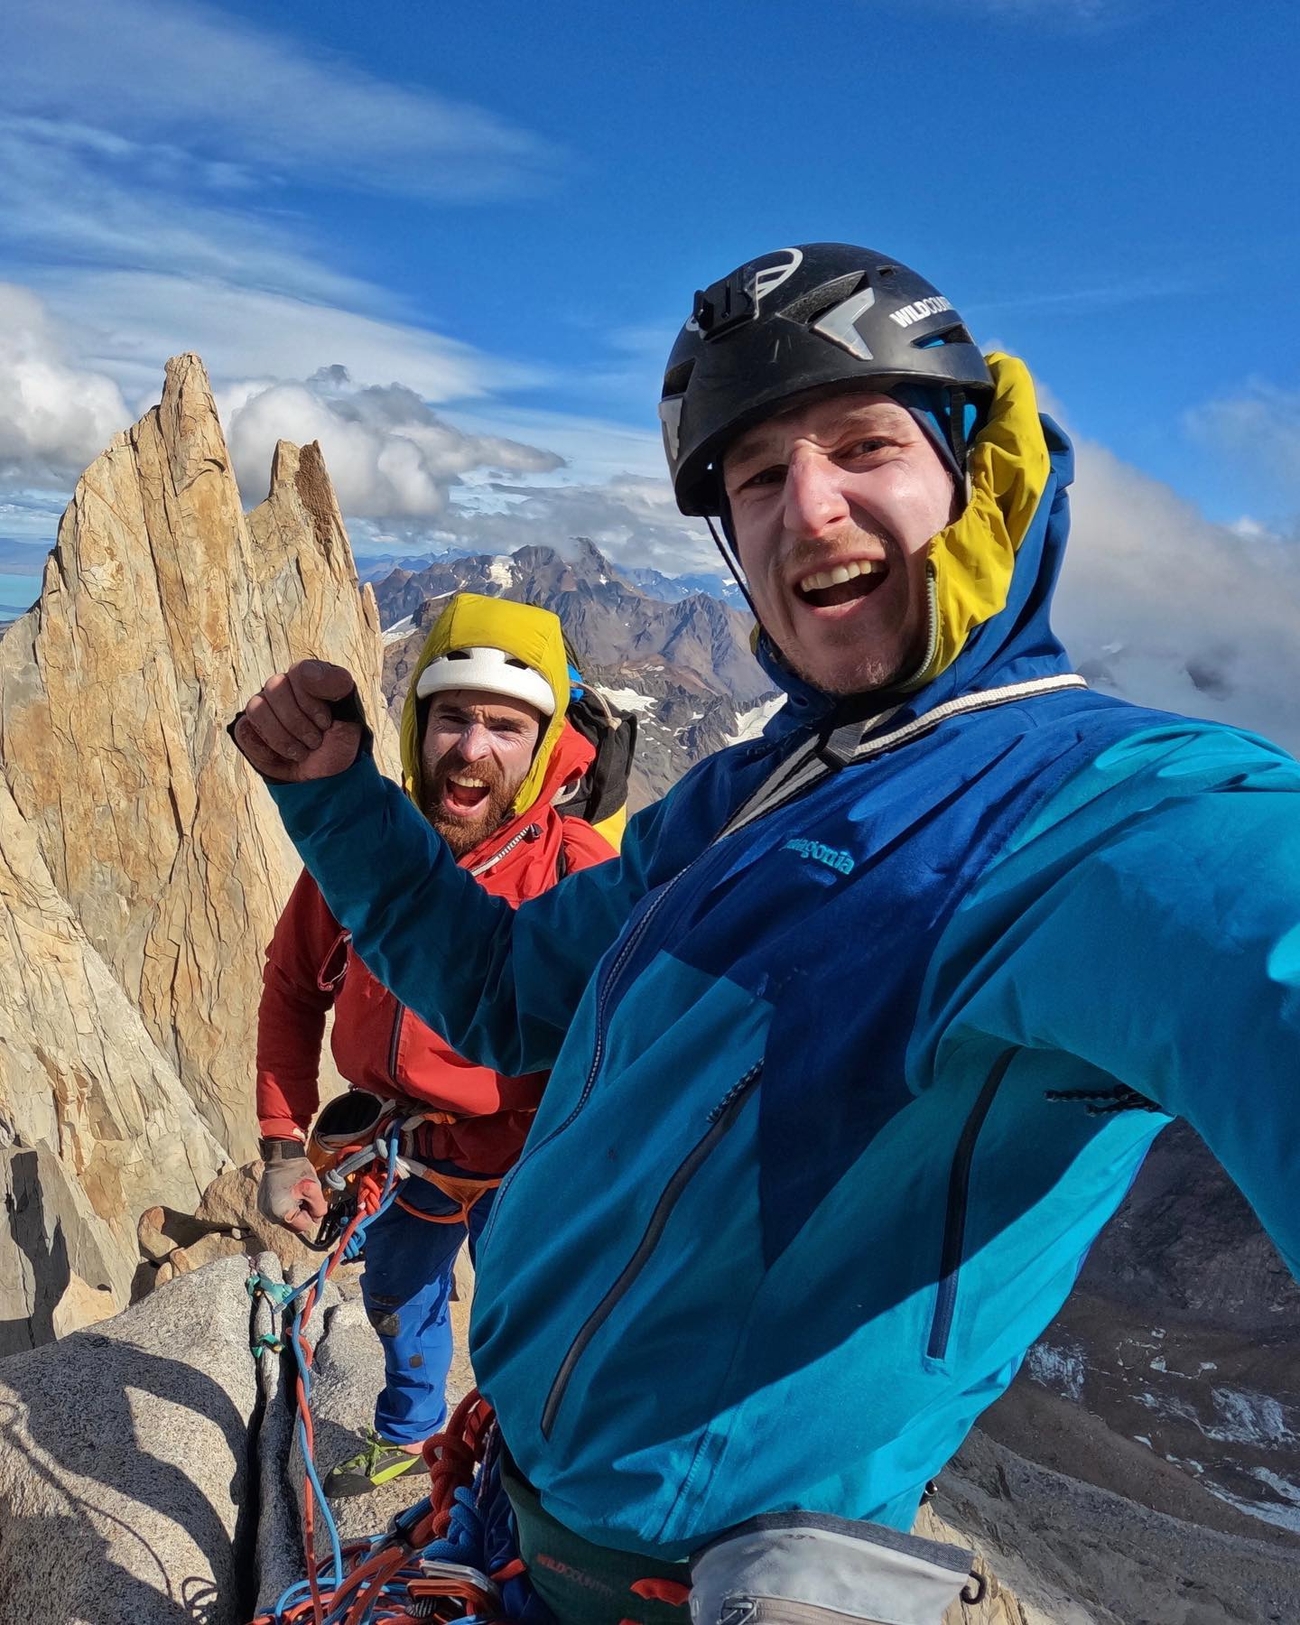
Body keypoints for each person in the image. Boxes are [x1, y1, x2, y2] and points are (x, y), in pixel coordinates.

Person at [232, 244, 1300, 1622]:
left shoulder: (1089, 815)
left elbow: (1257, 939)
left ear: (982, 471)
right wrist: (337, 802)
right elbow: (500, 992)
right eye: (756, 477)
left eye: (865, 445)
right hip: (513, 1521)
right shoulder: (741, 797)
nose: (809, 509)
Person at [253, 591, 614, 1498]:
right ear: (417, 727)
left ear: (544, 752)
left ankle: (514, 1468)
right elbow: (294, 985)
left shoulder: (578, 876)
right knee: (398, 1295)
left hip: (526, 1161)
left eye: (506, 725)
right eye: (452, 716)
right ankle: (413, 1432)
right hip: (405, 1152)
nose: (471, 747)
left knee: (524, 1319)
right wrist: (279, 1142)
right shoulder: (363, 858)